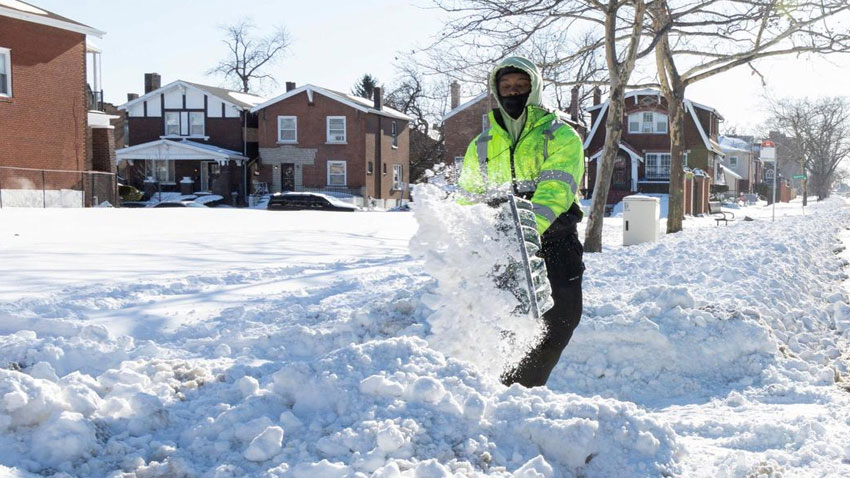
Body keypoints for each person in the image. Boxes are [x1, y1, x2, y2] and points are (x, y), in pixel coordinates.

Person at [458, 56, 585, 388]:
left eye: (520, 86)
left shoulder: (559, 135)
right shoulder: (482, 145)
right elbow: (468, 198)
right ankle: (499, 387)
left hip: (554, 242)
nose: (513, 92)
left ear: (534, 88)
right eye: (506, 87)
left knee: (561, 317)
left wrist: (526, 231)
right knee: (504, 321)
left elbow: (556, 189)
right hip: (501, 244)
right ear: (496, 92)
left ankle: (524, 391)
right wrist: (470, 239)